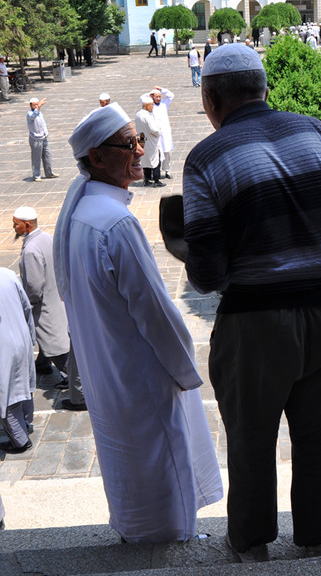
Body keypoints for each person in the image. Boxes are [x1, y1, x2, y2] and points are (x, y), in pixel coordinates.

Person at [182, 44, 321, 562]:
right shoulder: (318, 132)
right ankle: (316, 541)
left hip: (256, 323)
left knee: (250, 438)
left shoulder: (206, 157)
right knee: (319, 433)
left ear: (211, 97)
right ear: (264, 89)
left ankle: (251, 544)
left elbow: (208, 274)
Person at [52, 102, 223, 543]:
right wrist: (185, 369)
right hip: (142, 375)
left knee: (128, 463)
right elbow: (155, 312)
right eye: (129, 144)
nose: (141, 151)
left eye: (140, 140)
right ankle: (167, 541)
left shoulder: (82, 214)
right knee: (161, 465)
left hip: (109, 372)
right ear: (96, 157)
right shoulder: (115, 224)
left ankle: (139, 532)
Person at [13, 207, 70, 381]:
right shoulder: (48, 238)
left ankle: (72, 378)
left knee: (53, 342)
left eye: (16, 224)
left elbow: (33, 286)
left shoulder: (31, 250)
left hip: (45, 305)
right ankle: (42, 364)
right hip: (57, 296)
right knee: (53, 335)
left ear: (27, 225)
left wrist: (28, 304)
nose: (14, 228)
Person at [0, 268, 36, 454]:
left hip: (4, 347)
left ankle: (20, 441)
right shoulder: (7, 274)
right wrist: (30, 335)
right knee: (23, 386)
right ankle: (27, 421)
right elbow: (26, 307)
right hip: (21, 338)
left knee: (7, 398)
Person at [136, 94, 165, 188]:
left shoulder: (138, 114)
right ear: (146, 106)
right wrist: (159, 131)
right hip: (151, 141)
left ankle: (146, 179)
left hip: (142, 140)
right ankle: (156, 180)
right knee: (155, 160)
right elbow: (154, 130)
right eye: (151, 105)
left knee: (145, 160)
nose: (152, 107)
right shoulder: (147, 116)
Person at [26, 98, 59, 183]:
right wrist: (39, 106)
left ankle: (49, 173)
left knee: (47, 156)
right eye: (34, 105)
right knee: (36, 157)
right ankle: (36, 175)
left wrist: (46, 133)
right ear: (30, 105)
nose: (36, 106)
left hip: (43, 137)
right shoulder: (29, 114)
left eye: (37, 104)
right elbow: (34, 116)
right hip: (36, 139)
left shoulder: (40, 113)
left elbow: (43, 124)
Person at [149, 87, 175, 180]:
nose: (158, 98)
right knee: (156, 153)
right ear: (152, 97)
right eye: (156, 97)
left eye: (160, 96)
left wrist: (161, 89)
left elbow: (171, 95)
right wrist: (150, 93)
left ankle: (167, 170)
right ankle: (156, 172)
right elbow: (141, 98)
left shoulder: (164, 104)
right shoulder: (150, 105)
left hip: (165, 132)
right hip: (156, 133)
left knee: (167, 151)